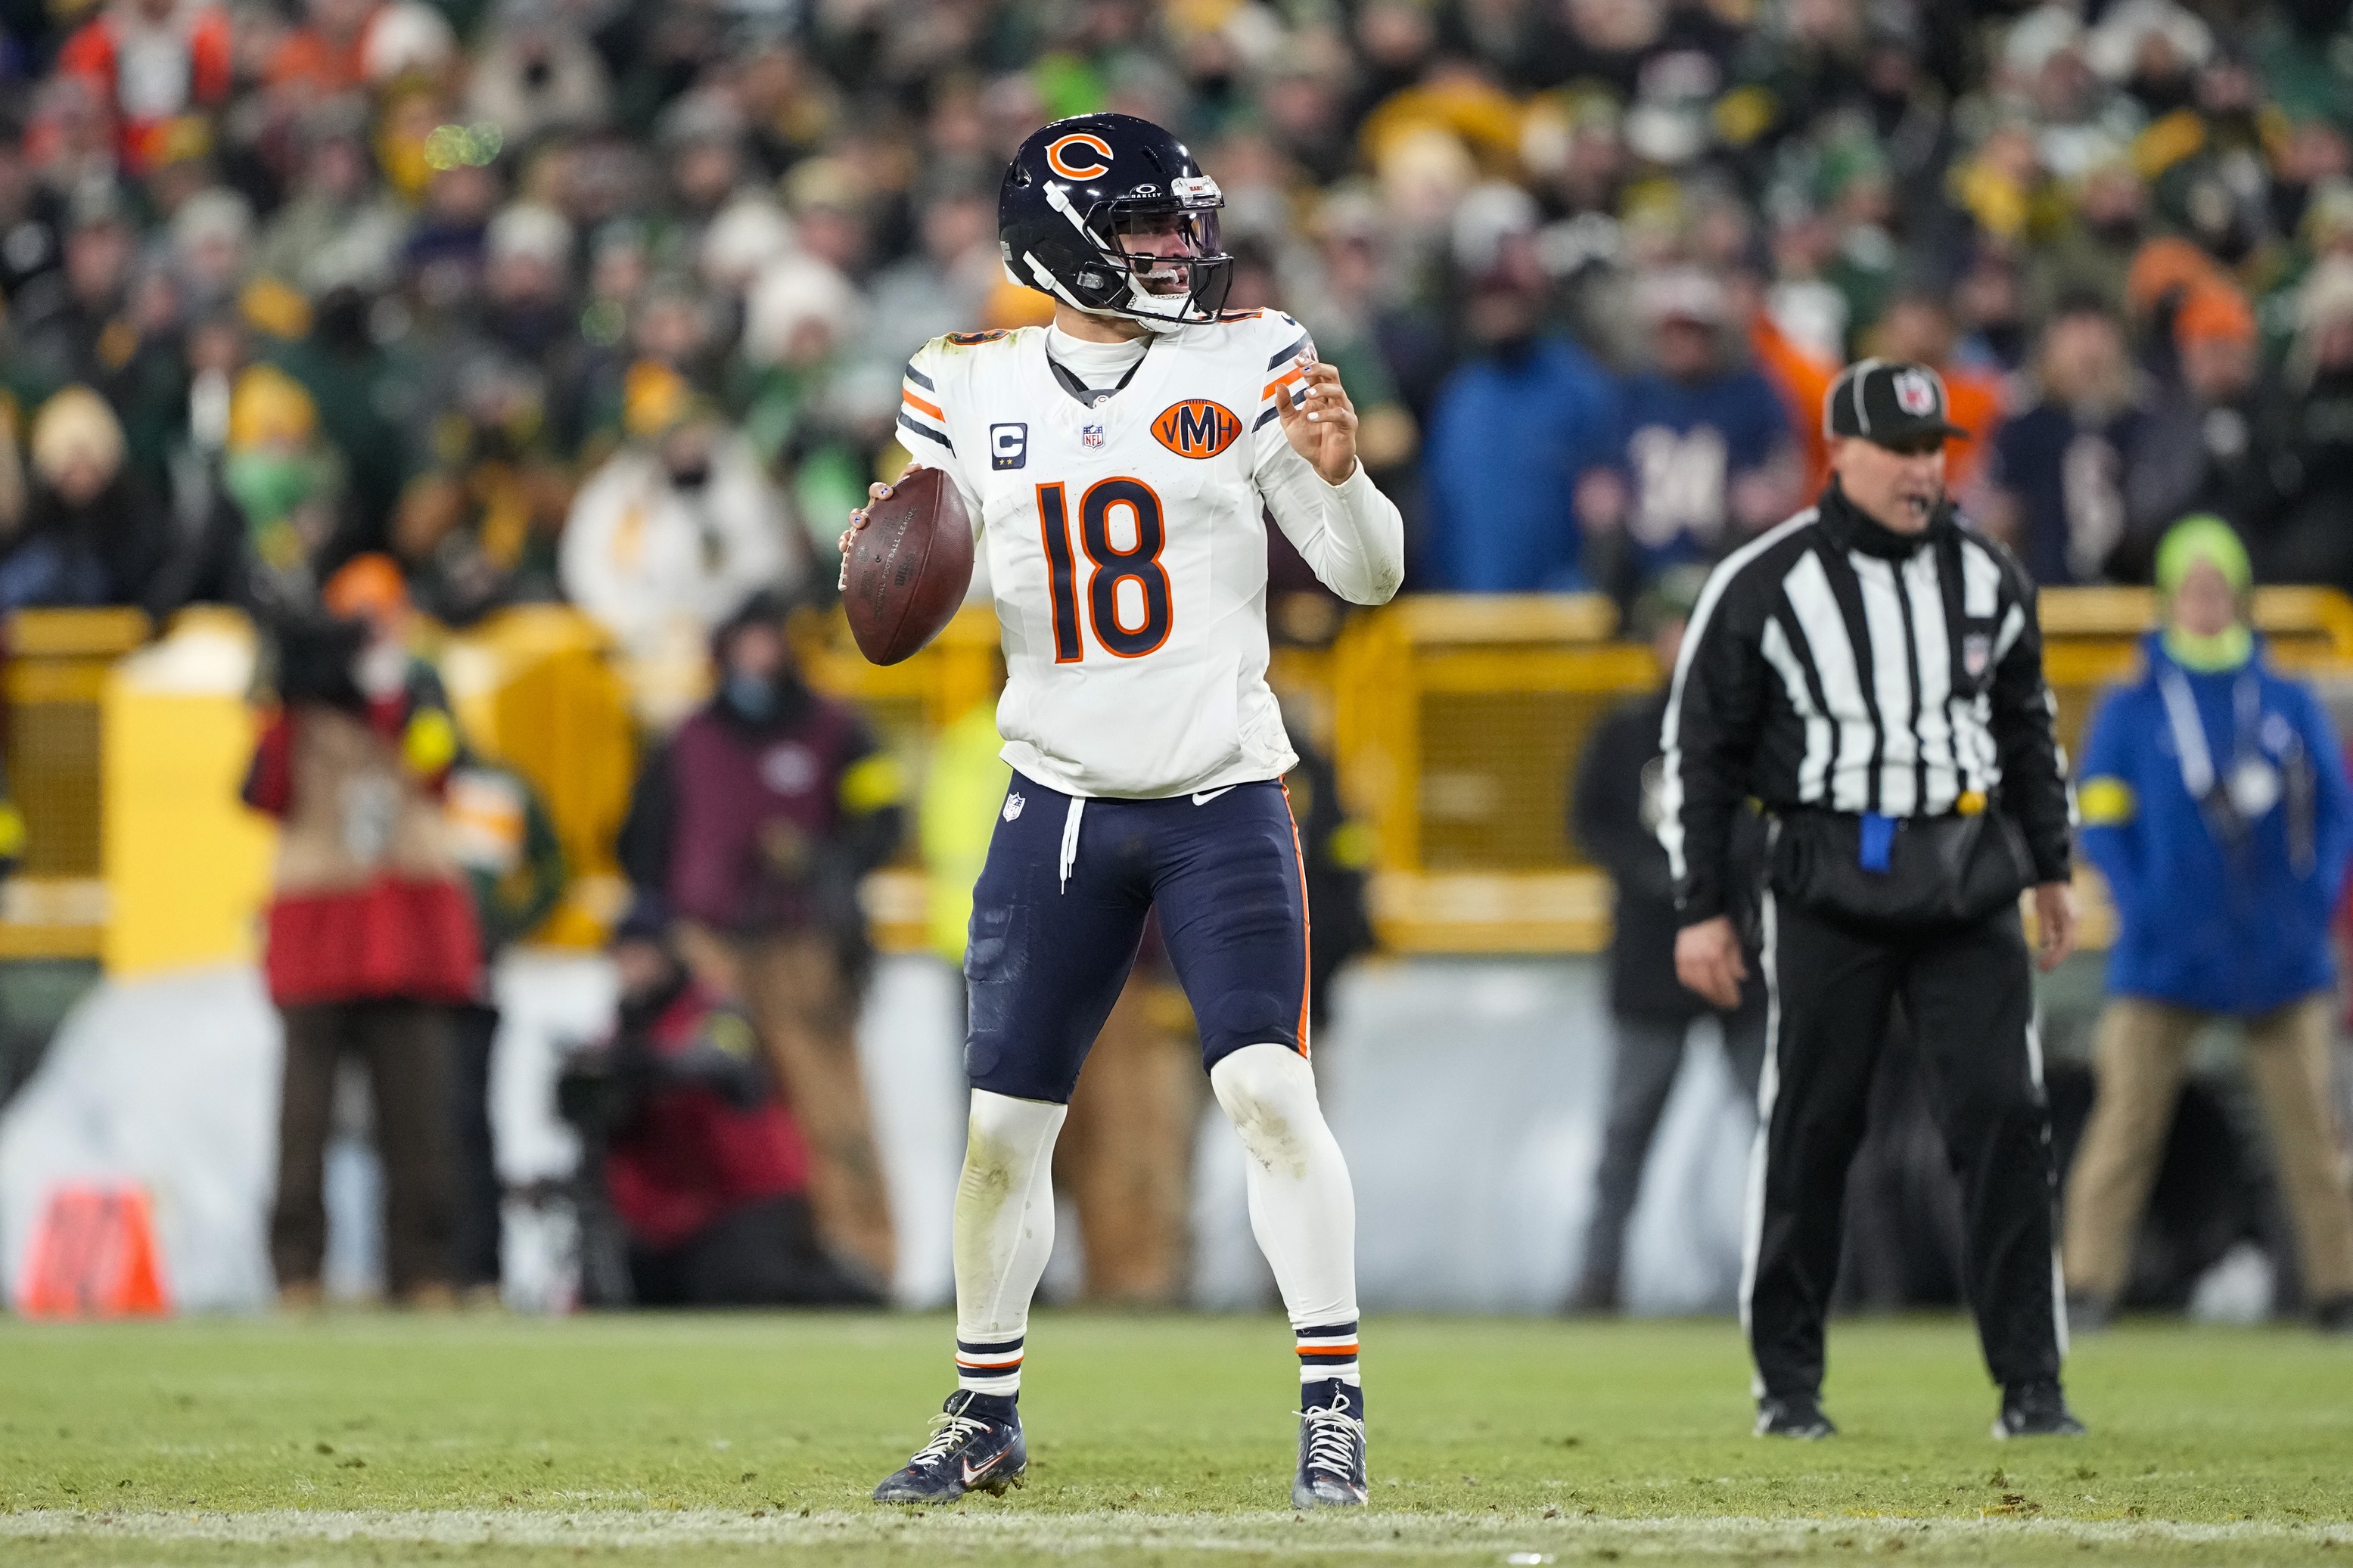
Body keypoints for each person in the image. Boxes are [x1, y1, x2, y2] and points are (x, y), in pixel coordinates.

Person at [850, 113, 1403, 1509]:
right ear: (1060, 241)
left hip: (1219, 795)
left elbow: (1367, 578)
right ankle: (983, 1411)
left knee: (1267, 1090)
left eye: (1180, 223)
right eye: (1149, 225)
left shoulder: (1251, 356)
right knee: (1001, 1133)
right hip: (1059, 802)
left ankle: (1331, 1406)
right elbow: (922, 592)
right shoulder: (962, 382)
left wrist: (1345, 478)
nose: (1177, 249)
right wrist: (874, 562)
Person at [1661, 359, 2084, 1439]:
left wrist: (2050, 865)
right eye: (1897, 449)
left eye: (1932, 448)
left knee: (2003, 1119)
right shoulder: (1762, 582)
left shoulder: (1987, 573)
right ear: (1838, 452)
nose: (1919, 470)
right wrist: (1700, 905)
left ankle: (2031, 1386)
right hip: (1825, 880)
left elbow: (2026, 728)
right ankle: (1787, 1387)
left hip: (1964, 877)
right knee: (1811, 1129)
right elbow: (1701, 752)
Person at [2063, 517, 2353, 1331]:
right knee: (2124, 1125)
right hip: (2164, 950)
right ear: (2166, 599)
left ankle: (2337, 1288)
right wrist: (2138, 899)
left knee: (2312, 1133)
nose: (2203, 602)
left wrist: (2312, 896)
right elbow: (2100, 813)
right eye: (2189, 588)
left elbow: (2335, 810)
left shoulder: (2285, 698)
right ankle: (2085, 1285)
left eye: (2216, 587)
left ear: (2240, 596)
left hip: (2277, 948)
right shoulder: (2131, 704)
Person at [617, 588, 904, 1289]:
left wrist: (825, 865)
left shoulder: (838, 730)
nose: (754, 656)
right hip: (708, 950)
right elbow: (639, 841)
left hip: (802, 947)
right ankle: (723, 1259)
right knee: (717, 1114)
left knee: (830, 1108)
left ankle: (862, 1260)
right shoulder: (686, 740)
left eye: (765, 640)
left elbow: (885, 821)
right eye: (743, 641)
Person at [244, 610, 480, 1309]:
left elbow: (445, 774)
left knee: (418, 1123)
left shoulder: (417, 712)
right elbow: (260, 791)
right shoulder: (296, 724)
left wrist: (405, 708)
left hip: (405, 935)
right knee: (303, 1122)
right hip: (323, 935)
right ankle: (297, 1271)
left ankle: (423, 1270)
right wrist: (289, 701)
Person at [1568, 564, 1767, 1314]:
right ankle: (1597, 1278)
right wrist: (1664, 877)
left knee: (1777, 1122)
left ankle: (1816, 1275)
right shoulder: (1625, 732)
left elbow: (1772, 825)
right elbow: (1590, 822)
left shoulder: (1752, 729)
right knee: (1626, 1131)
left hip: (1737, 950)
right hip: (1651, 958)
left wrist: (1705, 879)